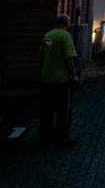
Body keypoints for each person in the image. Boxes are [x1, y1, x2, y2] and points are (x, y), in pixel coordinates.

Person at [40, 13, 78, 147]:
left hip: (46, 77)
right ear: (65, 24)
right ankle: (61, 137)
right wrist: (73, 75)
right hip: (61, 79)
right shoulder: (65, 36)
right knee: (63, 109)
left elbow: (41, 55)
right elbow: (69, 58)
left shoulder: (48, 35)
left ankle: (45, 135)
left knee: (47, 109)